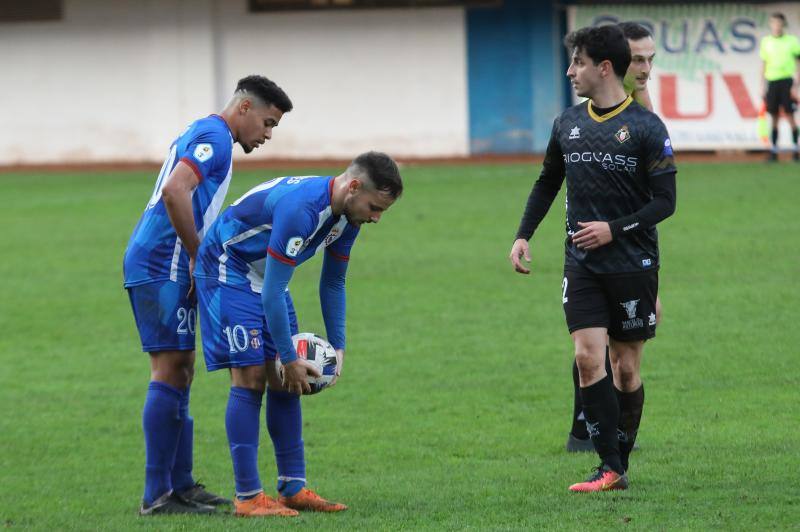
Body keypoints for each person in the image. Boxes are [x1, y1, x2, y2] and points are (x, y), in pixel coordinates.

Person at [509, 24, 676, 492]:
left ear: (603, 67)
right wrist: (523, 235)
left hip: (634, 264)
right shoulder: (567, 123)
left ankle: (617, 460)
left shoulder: (647, 127)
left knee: (626, 368)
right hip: (580, 263)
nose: (570, 71)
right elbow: (547, 182)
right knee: (587, 358)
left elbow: (665, 202)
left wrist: (614, 229)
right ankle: (609, 467)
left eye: (577, 62)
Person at [194, 152, 402, 517]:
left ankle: (293, 486)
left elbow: (334, 282)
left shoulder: (348, 218)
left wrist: (339, 347)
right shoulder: (302, 210)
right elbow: (274, 291)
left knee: (285, 380)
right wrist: (288, 358)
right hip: (227, 267)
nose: (377, 218)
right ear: (353, 187)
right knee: (252, 377)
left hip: (267, 277)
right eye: (374, 207)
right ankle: (248, 497)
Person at [123, 75, 293, 515]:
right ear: (244, 108)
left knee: (182, 369)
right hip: (163, 262)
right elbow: (175, 190)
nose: (268, 135)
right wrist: (200, 258)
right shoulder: (215, 136)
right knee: (168, 368)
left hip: (166, 262)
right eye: (268, 122)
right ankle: (157, 494)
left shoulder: (209, 133)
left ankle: (179, 486)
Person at [565, 21, 663, 453]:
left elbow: (653, 201)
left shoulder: (643, 117)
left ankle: (601, 438)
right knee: (590, 346)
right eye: (638, 59)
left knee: (611, 355)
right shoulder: (587, 113)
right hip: (587, 242)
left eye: (650, 60)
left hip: (631, 249)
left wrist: (656, 279)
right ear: (614, 64)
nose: (644, 68)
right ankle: (585, 429)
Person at [760, 12, 800, 162]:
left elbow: (798, 63)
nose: (776, 26)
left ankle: (796, 150)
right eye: (773, 23)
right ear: (771, 24)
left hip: (787, 82)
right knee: (774, 117)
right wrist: (762, 84)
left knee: (790, 116)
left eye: (779, 23)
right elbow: (763, 64)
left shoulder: (792, 41)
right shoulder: (766, 42)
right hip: (772, 81)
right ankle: (774, 151)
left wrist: (796, 85)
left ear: (783, 24)